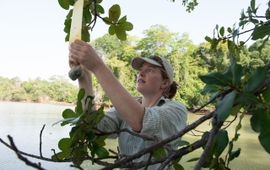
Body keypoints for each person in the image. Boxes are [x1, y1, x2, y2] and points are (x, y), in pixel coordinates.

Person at [69, 40, 187, 169]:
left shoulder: (177, 110)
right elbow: (92, 127)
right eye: (141, 70)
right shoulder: (125, 109)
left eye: (150, 70)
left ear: (164, 83)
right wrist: (85, 75)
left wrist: (97, 66)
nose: (141, 73)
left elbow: (140, 121)